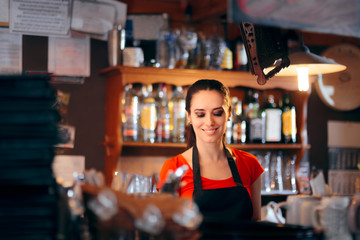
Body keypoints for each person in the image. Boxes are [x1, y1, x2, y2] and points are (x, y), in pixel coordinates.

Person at [158, 79, 264, 222]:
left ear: (229, 113)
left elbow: (256, 224)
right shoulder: (174, 168)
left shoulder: (250, 163)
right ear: (189, 116)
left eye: (218, 113)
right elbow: (167, 228)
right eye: (200, 114)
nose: (209, 122)